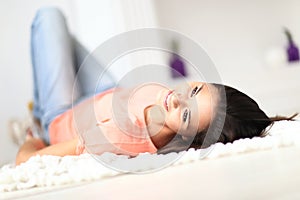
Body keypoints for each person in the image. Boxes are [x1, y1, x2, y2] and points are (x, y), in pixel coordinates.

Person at [15, 7, 296, 165]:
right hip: (106, 94)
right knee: (64, 32)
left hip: (64, 115)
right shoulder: (168, 103)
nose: (177, 100)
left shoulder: (117, 137)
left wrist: (32, 140)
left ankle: (39, 118)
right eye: (195, 92)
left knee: (49, 17)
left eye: (186, 115)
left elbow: (27, 161)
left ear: (189, 140)